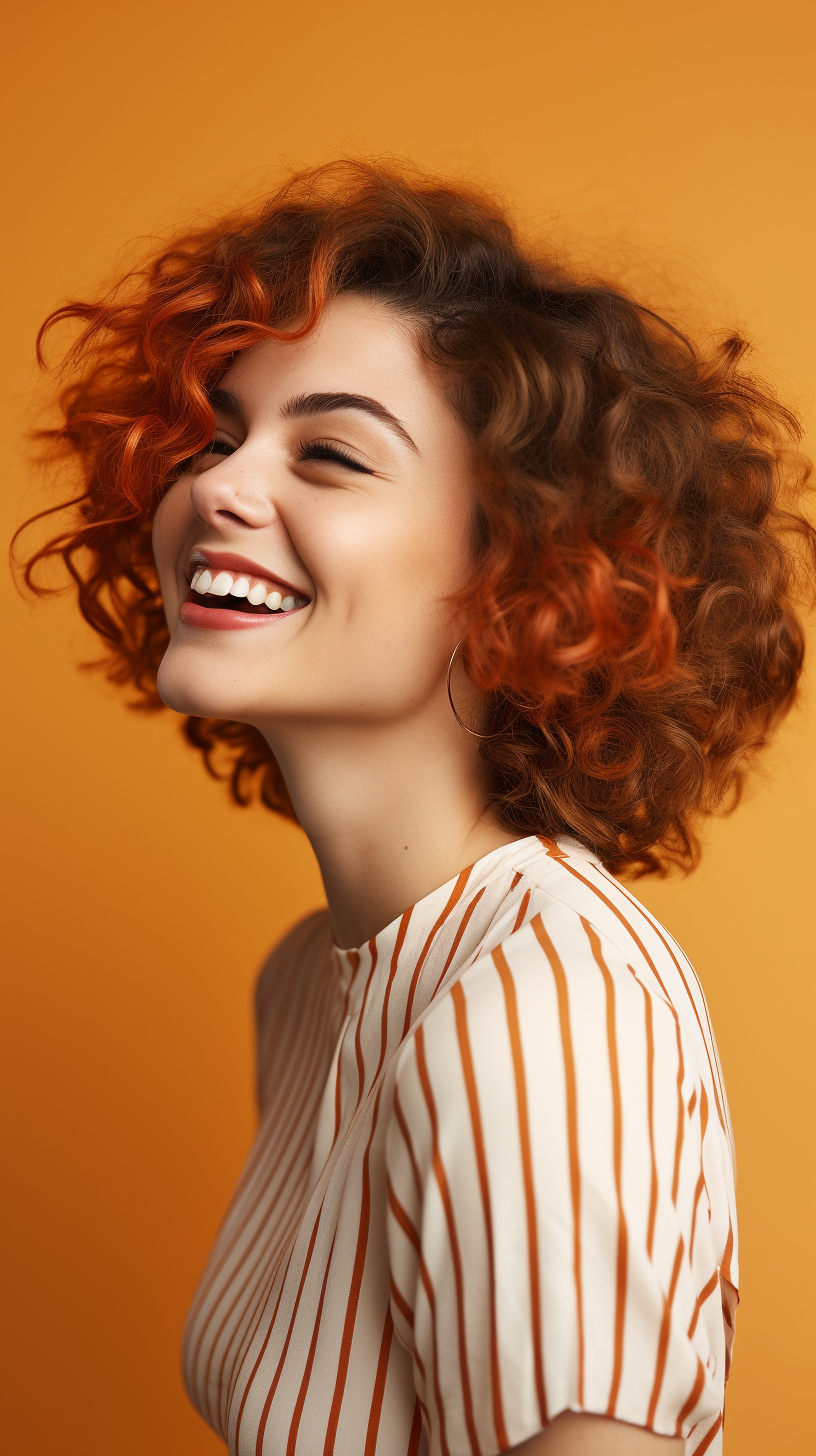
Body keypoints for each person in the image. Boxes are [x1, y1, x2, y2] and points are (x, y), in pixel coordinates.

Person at [18, 161, 813, 1455]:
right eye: (219, 434)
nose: (217, 486)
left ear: (528, 573)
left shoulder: (539, 1007)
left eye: (327, 452)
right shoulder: (306, 985)